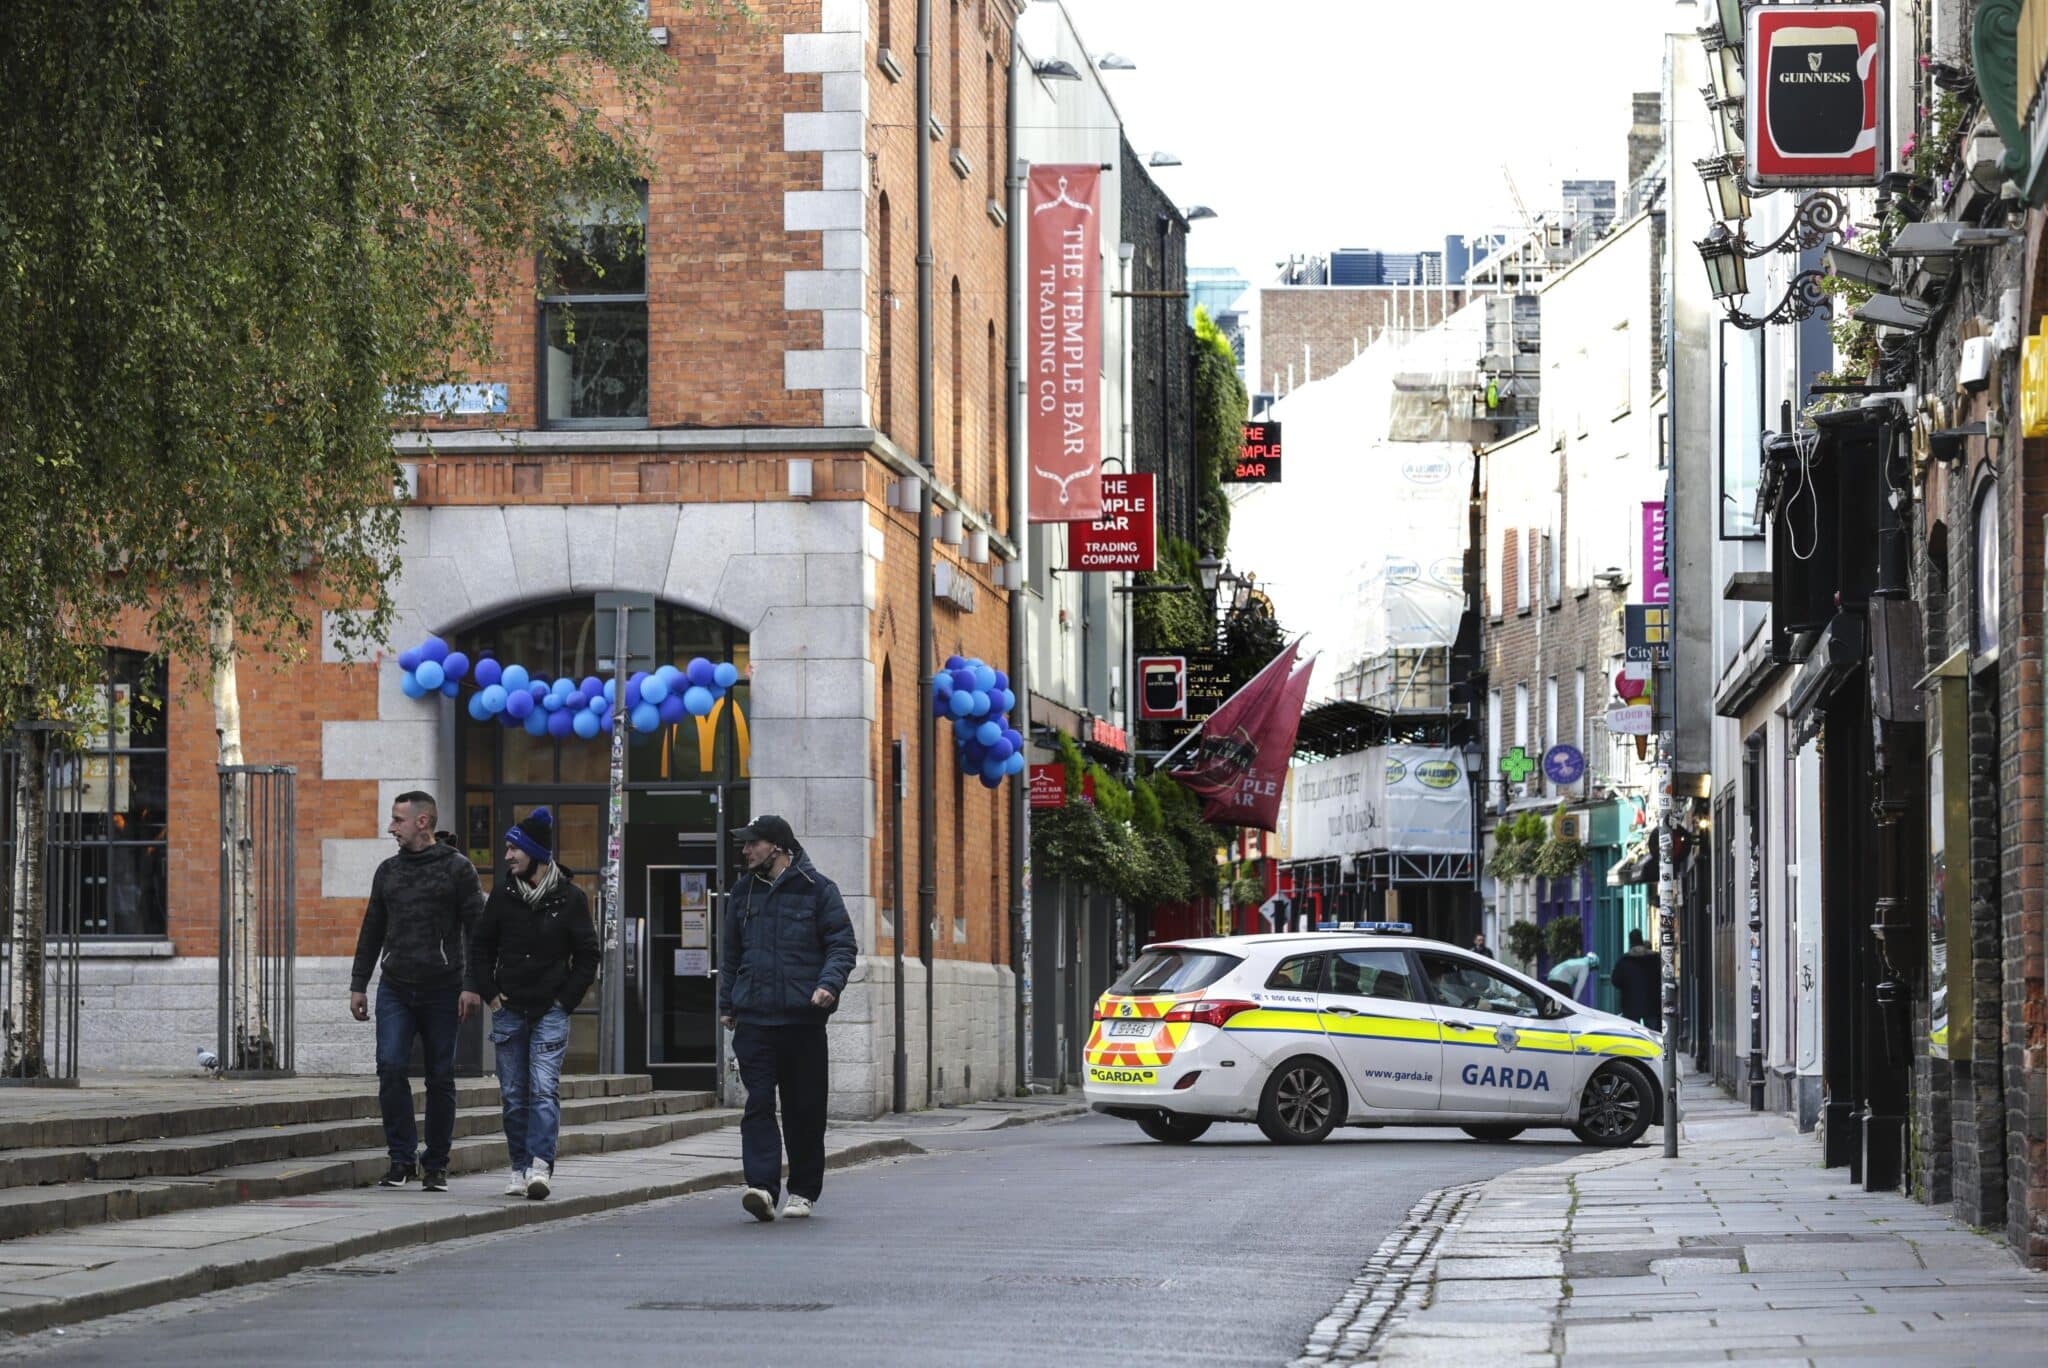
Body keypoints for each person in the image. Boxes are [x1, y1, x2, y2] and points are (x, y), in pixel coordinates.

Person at [718, 814, 857, 1223]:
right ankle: (761, 1186)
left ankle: (802, 1190)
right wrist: (728, 1004)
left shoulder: (819, 890)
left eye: (751, 844)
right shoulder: (742, 893)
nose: (744, 851)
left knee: (805, 1109)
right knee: (758, 1104)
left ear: (777, 848)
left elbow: (842, 945)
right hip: (755, 1019)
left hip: (803, 1020)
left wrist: (829, 986)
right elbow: (731, 955)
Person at [350, 791, 484, 1192]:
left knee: (440, 1075)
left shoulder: (458, 870)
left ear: (422, 822)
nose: (391, 828)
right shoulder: (387, 871)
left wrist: (472, 986)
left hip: (443, 989)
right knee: (390, 1066)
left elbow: (477, 933)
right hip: (395, 986)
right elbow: (372, 927)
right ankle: (401, 1159)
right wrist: (359, 984)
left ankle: (437, 1163)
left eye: (397, 820)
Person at [468, 808, 597, 1201]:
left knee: (543, 1089)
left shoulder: (570, 898)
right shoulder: (503, 897)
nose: (507, 855)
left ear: (535, 854)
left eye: (513, 848)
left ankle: (540, 1166)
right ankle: (518, 1167)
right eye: (507, 848)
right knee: (513, 1094)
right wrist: (490, 994)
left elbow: (587, 955)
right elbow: (480, 947)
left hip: (549, 1011)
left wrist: (564, 1002)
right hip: (509, 1009)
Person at [1609, 929, 1662, 1029]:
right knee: (1654, 1034)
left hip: (1630, 1005)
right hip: (1652, 1003)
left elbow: (1615, 980)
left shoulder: (1624, 960)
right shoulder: (1654, 958)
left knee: (1633, 1034)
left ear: (1630, 941)